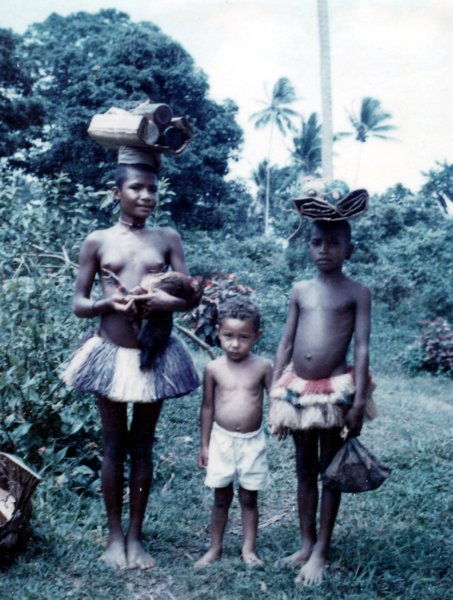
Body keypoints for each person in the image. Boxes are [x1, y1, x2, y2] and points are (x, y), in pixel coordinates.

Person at [62, 156, 200, 569]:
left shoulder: (167, 238)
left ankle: (136, 537)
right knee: (112, 445)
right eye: (136, 188)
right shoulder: (98, 241)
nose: (145, 196)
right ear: (116, 193)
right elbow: (79, 303)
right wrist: (108, 303)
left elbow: (190, 296)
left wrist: (163, 301)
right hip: (110, 353)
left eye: (152, 188)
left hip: (153, 353)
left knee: (142, 445)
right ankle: (114, 537)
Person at [269, 219, 376, 585]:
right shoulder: (300, 290)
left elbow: (362, 347)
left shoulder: (357, 292)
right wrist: (275, 393)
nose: (323, 250)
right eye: (316, 242)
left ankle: (321, 551)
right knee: (304, 468)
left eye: (332, 243)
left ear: (349, 250)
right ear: (308, 247)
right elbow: (285, 343)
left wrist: (358, 401)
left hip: (333, 391)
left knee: (331, 469)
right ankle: (305, 543)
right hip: (298, 389)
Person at [194, 297, 273, 569]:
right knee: (221, 497)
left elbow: (274, 398)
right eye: (228, 336)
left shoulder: (263, 367)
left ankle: (248, 548)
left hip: (252, 442)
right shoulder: (213, 368)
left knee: (249, 497)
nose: (235, 344)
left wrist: (278, 419)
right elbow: (207, 407)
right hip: (222, 441)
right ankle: (215, 547)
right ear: (218, 332)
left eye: (243, 337)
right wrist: (205, 445)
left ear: (256, 336)